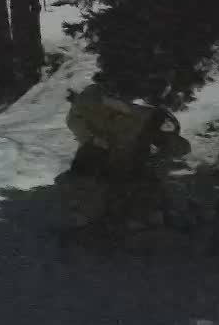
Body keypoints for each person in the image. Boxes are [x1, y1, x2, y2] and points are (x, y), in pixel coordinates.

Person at [58, 84, 189, 234]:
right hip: (110, 165)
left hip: (114, 164)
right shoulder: (126, 120)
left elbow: (177, 145)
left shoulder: (136, 125)